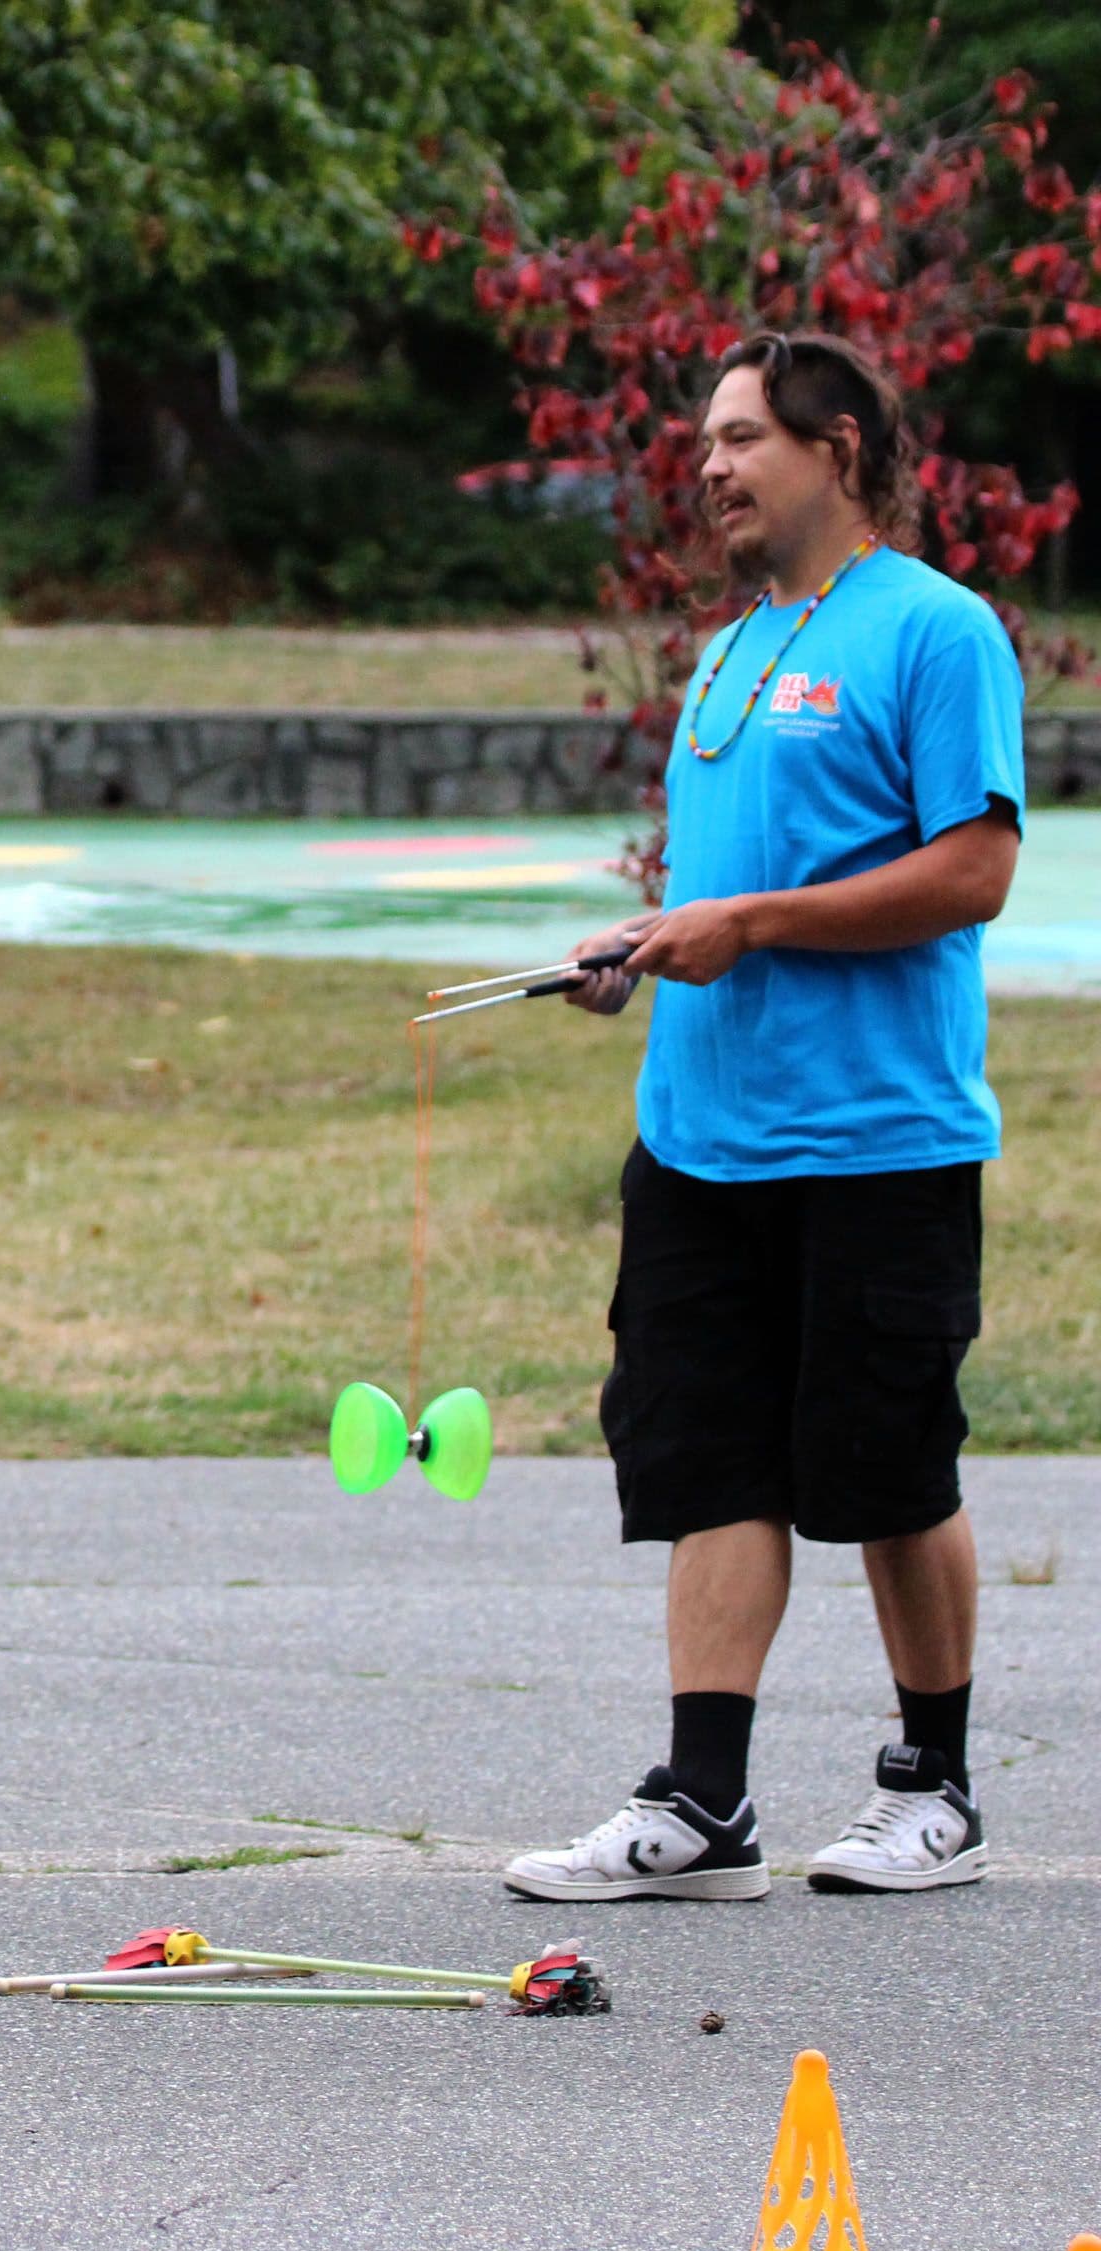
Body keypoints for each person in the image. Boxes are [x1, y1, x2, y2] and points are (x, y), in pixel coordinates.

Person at [505, 331, 1024, 1903]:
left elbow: (974, 872)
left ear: (842, 445)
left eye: (743, 439)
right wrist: (645, 951)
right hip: (701, 1138)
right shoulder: (730, 650)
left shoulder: (937, 632)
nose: (712, 468)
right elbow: (725, 898)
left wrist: (757, 925)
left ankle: (934, 1788)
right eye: (707, 441)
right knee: (710, 1462)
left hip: (876, 1139)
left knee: (888, 1471)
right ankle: (704, 1805)